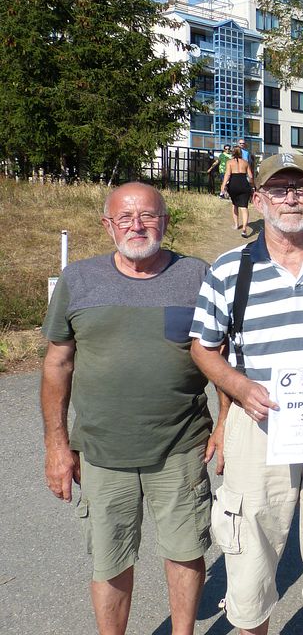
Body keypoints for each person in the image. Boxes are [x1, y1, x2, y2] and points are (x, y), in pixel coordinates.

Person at [190, 152, 303, 635]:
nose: (291, 198)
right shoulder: (229, 269)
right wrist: (240, 388)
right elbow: (203, 348)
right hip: (259, 424)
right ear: (258, 199)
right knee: (251, 549)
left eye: (301, 188)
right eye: (279, 189)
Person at [40, 182, 213, 635]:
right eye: (125, 218)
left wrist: (226, 427)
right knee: (110, 558)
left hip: (181, 445)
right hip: (102, 451)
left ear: (165, 221)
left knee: (185, 550)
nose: (137, 226)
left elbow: (223, 355)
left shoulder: (197, 275)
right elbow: (57, 363)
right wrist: (56, 445)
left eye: (148, 216)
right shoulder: (79, 279)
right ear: (108, 225)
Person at [221, 146, 254, 236]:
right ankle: (244, 229)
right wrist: (252, 186)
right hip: (244, 184)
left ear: (232, 152)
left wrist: (223, 185)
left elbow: (227, 174)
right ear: (241, 153)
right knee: (244, 207)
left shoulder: (229, 162)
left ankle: (236, 225)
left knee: (234, 204)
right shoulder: (246, 162)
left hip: (233, 185)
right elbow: (251, 176)